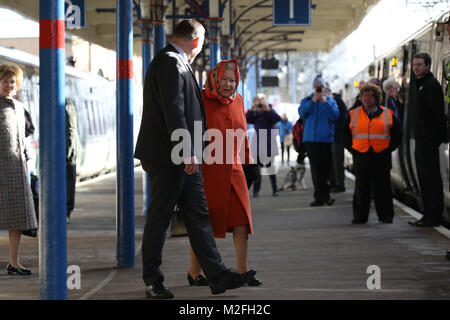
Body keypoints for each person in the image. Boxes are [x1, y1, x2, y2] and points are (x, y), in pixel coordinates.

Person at [134, 19, 255, 299]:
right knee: (160, 218)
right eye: (202, 44)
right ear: (197, 41)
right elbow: (173, 109)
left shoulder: (176, 63)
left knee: (199, 215)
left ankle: (217, 275)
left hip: (183, 156)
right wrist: (186, 148)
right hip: (170, 157)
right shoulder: (170, 62)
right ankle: (152, 280)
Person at [188, 59, 261, 287]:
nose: (228, 84)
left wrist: (250, 163)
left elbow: (243, 134)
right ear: (214, 79)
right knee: (204, 223)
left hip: (235, 170)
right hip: (208, 170)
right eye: (224, 80)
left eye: (232, 80)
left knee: (242, 222)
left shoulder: (238, 100)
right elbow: (190, 131)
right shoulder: (200, 98)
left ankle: (243, 271)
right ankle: (194, 272)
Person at [343, 83, 402, 224]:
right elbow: (344, 135)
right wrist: (353, 150)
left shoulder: (388, 114)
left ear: (377, 98)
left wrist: (389, 149)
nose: (366, 99)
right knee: (361, 189)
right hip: (361, 156)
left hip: (381, 157)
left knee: (383, 189)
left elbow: (397, 135)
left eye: (370, 96)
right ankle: (360, 217)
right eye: (364, 96)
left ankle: (386, 216)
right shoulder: (353, 114)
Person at [0, 63, 37, 275]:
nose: (9, 85)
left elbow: (22, 138)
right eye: (5, 81)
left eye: (12, 81)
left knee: (17, 218)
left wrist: (27, 160)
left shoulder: (19, 106)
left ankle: (14, 263)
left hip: (16, 168)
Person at [408, 52, 447, 228]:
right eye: (414, 64)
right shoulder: (419, 84)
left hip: (428, 140)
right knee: (424, 177)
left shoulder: (431, 85)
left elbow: (437, 115)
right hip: (422, 139)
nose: (416, 67)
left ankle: (433, 215)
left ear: (428, 66)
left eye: (419, 64)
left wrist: (428, 134)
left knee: (431, 178)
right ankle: (428, 214)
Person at [298, 75, 340, 206]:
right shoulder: (307, 100)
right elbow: (302, 113)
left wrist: (324, 102)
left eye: (321, 87)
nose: (319, 89)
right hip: (310, 140)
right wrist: (313, 101)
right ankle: (320, 197)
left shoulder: (330, 101)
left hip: (325, 140)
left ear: (324, 88)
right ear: (313, 87)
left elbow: (335, 115)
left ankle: (324, 196)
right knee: (315, 169)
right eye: (317, 87)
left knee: (325, 169)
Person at [246, 93, 281, 197]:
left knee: (270, 168)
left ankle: (275, 189)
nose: (260, 104)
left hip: (268, 144)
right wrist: (252, 110)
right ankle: (256, 191)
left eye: (261, 101)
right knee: (257, 169)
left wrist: (268, 110)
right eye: (257, 102)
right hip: (258, 144)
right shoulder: (255, 113)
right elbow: (247, 119)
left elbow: (277, 119)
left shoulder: (269, 110)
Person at [326, 85, 348, 193]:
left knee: (337, 161)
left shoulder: (337, 101)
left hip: (336, 137)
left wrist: (339, 130)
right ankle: (332, 182)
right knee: (329, 162)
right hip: (326, 138)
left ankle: (340, 183)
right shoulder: (320, 102)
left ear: (329, 91)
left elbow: (343, 117)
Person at [65, 98, 81, 223]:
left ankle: (66, 212)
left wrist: (68, 152)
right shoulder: (68, 104)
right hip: (68, 150)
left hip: (68, 153)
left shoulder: (66, 105)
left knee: (68, 183)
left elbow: (71, 130)